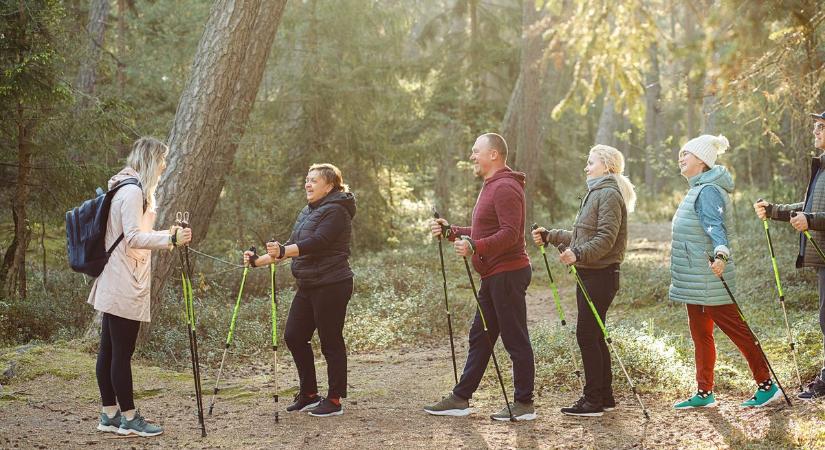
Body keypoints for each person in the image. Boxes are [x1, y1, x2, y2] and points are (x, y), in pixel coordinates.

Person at [423, 132, 536, 422]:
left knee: (515, 339)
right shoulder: (491, 185)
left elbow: (511, 234)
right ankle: (460, 398)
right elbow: (486, 232)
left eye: (476, 151)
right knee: (481, 336)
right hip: (494, 274)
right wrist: (453, 233)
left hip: (508, 274)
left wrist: (476, 246)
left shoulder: (506, 187)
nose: (472, 156)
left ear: (494, 155)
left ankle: (524, 404)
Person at [88, 137, 192, 437]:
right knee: (121, 352)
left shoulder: (123, 187)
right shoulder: (132, 192)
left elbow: (132, 234)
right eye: (161, 159)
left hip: (115, 277)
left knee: (109, 351)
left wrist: (166, 235)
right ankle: (130, 419)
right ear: (150, 159)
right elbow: (133, 237)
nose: (163, 165)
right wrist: (170, 239)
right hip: (124, 281)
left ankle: (109, 414)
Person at [671, 135, 781, 409]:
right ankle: (704, 392)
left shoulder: (708, 190)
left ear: (702, 161)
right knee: (701, 335)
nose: (680, 158)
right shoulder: (698, 188)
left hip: (710, 275)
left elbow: (714, 225)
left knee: (738, 331)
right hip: (695, 278)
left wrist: (721, 253)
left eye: (686, 154)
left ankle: (767, 386)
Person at [244, 163, 355, 418]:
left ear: (329, 185)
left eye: (314, 180)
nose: (308, 184)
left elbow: (318, 243)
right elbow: (292, 245)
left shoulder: (337, 211)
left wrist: (284, 251)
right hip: (308, 284)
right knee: (294, 336)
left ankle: (335, 399)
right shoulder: (308, 210)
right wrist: (256, 261)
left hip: (332, 284)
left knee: (330, 342)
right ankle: (309, 394)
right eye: (307, 179)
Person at [532, 144, 635, 417]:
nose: (586, 167)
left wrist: (577, 254)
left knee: (587, 335)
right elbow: (584, 235)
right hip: (593, 273)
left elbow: (605, 239)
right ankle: (604, 397)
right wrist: (552, 235)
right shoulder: (597, 193)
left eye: (591, 162)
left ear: (607, 166)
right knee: (595, 335)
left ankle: (593, 402)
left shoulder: (608, 195)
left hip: (600, 274)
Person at [754, 111, 825, 400]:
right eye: (816, 127)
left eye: (821, 127)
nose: (815, 132)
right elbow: (807, 206)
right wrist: (775, 210)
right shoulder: (820, 167)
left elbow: (812, 213)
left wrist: (811, 219)